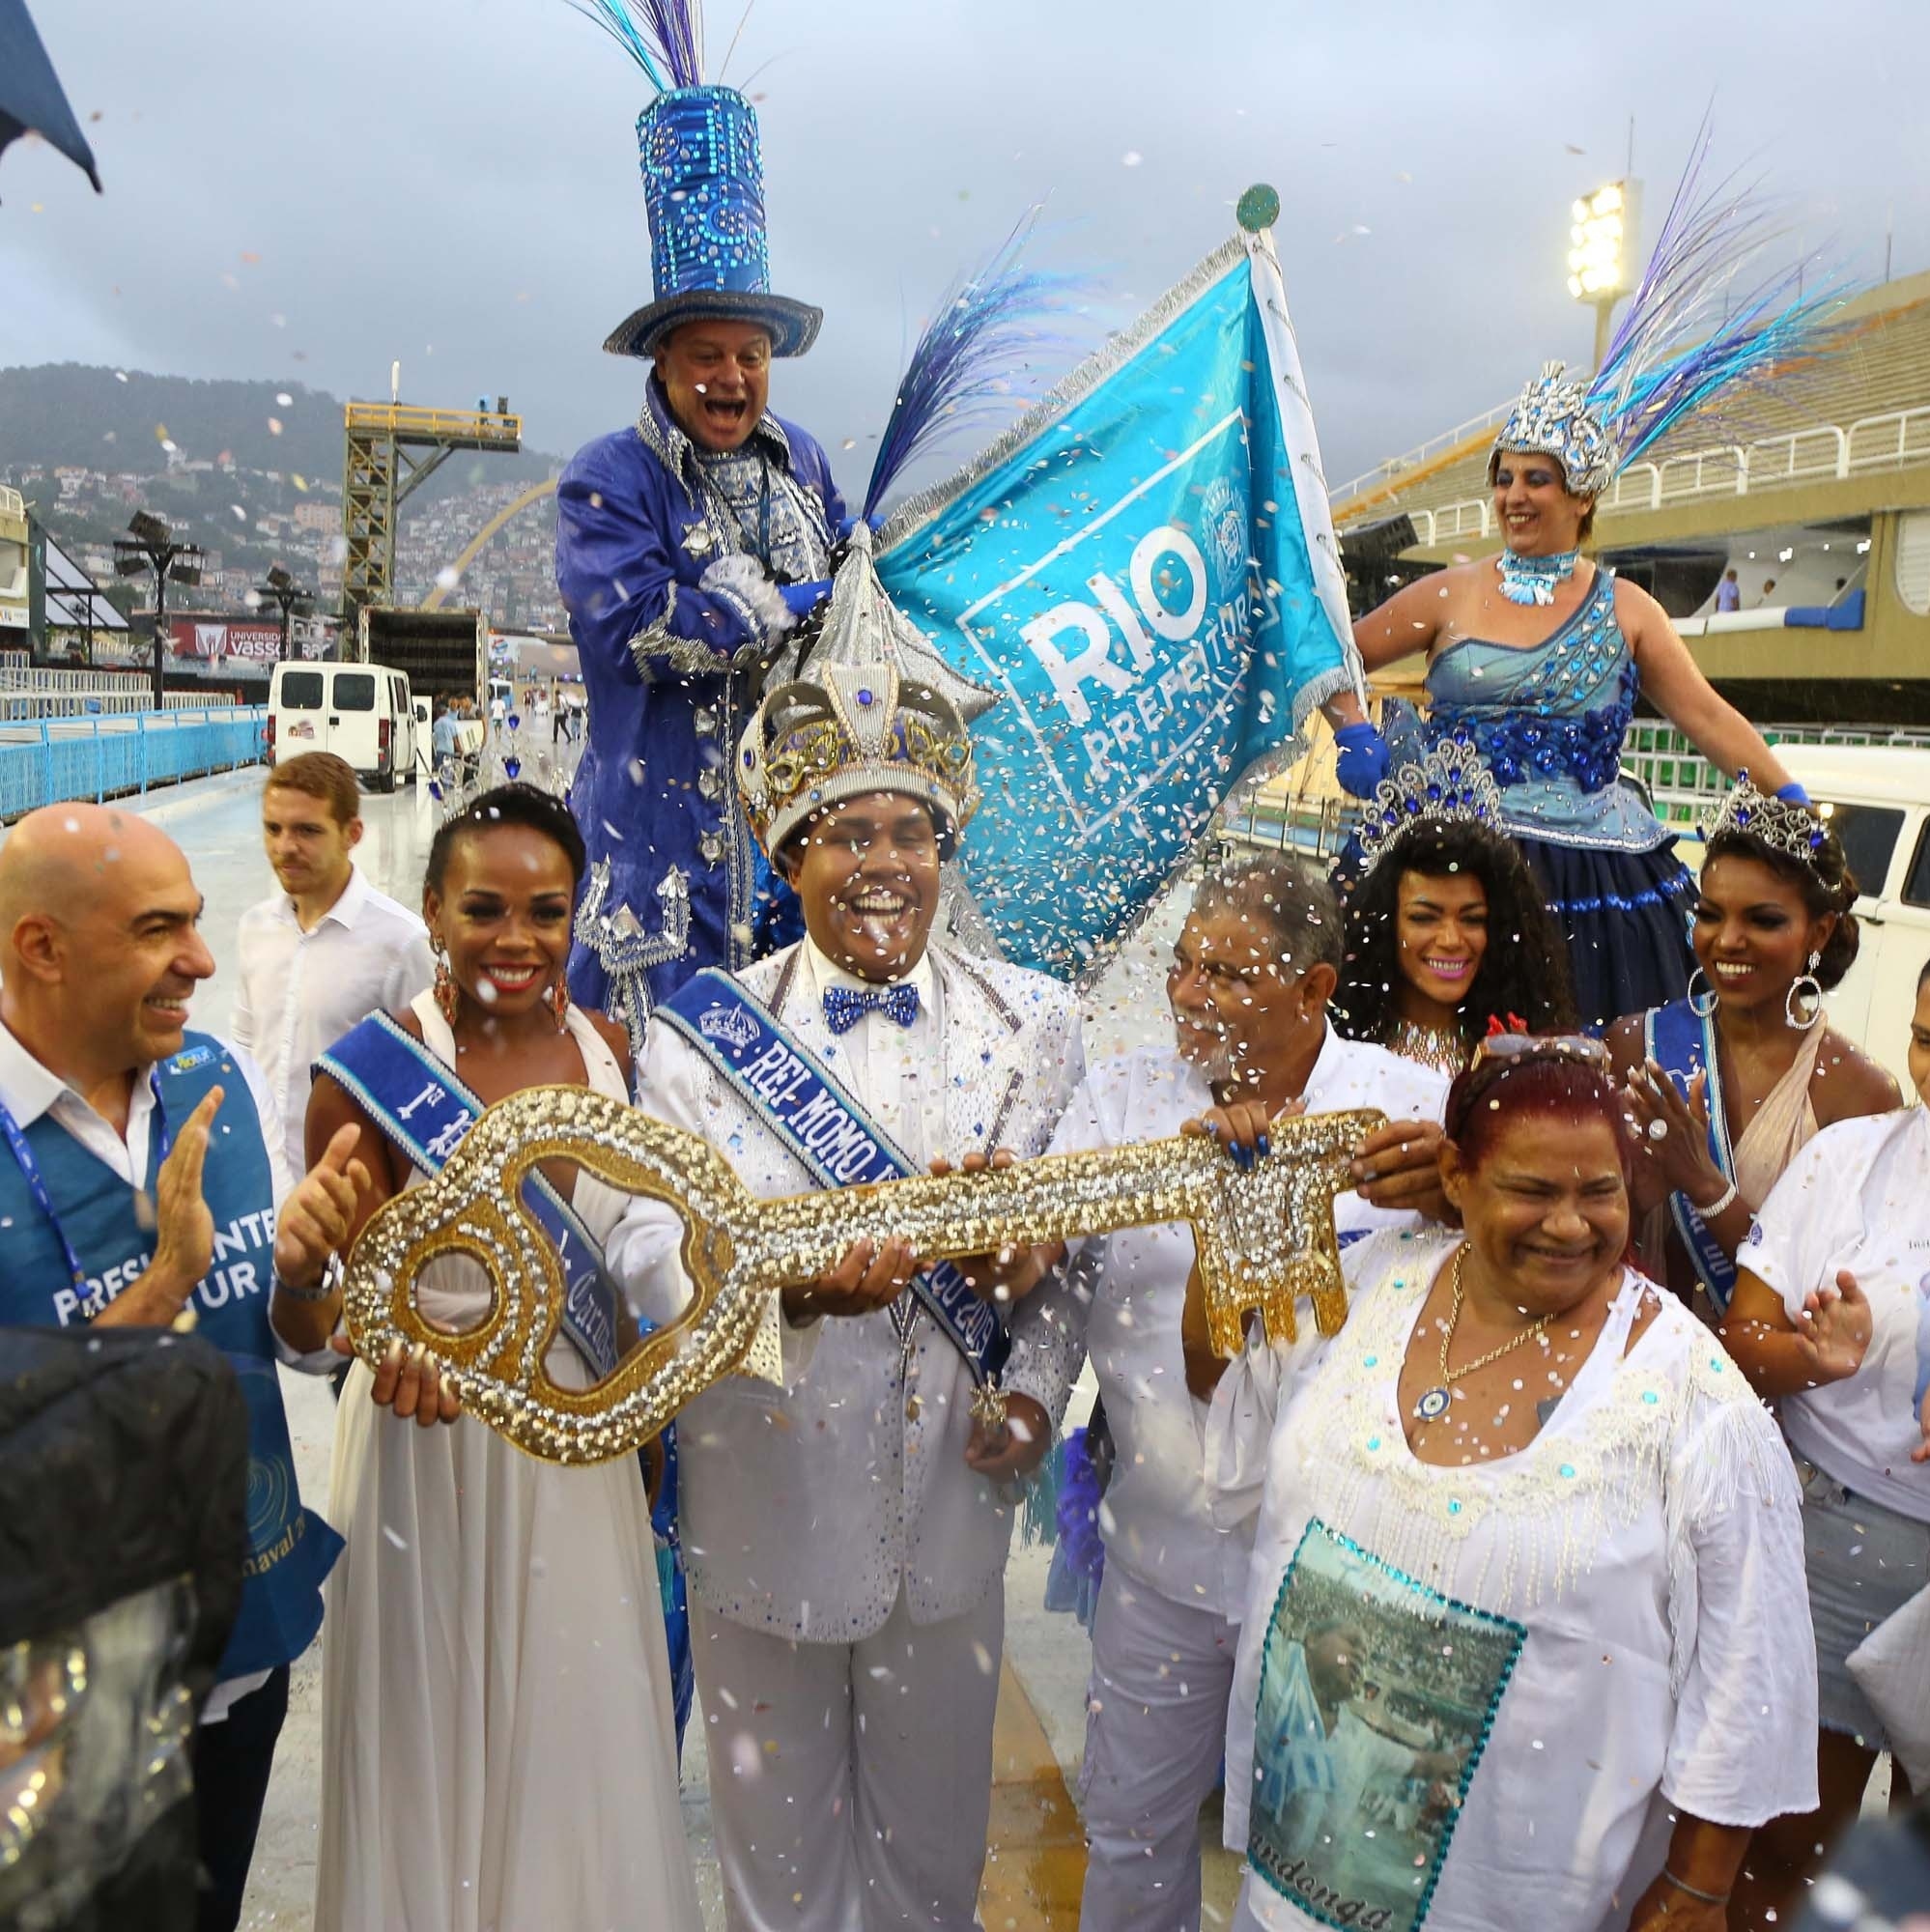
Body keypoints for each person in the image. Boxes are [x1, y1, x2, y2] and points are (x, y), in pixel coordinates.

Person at [609, 526, 1082, 1930]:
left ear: (948, 842)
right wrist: (790, 1295)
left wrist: (1036, 1393)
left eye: (909, 832)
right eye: (846, 834)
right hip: (762, 1515)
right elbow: (646, 1248)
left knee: (936, 1871)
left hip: (952, 1513)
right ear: (786, 848)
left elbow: (1068, 1254)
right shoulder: (701, 1037)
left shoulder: (1035, 1023)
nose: (882, 865)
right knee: (775, 1875)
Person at [1199, 1035, 1819, 1931]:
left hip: (1514, 1896)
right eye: (1531, 1191)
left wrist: (1698, 1888)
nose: (1570, 1225)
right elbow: (1228, 1408)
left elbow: (1748, 1672)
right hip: (1298, 1873)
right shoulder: (1377, 1281)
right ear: (1454, 1176)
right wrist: (1256, 1185)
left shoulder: (1691, 1401)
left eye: (1598, 1192)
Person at [298, 782, 700, 1932]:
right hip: (426, 1452)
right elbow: (324, 1310)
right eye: (484, 908)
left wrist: (657, 1419)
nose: (516, 939)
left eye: (546, 909)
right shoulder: (371, 1069)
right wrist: (321, 1280)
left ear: (578, 916)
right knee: (427, 1736)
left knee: (578, 1734)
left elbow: (649, 1263)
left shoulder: (613, 1048)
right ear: (431, 909)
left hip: (578, 1443)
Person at [1322, 136, 1835, 1027]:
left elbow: (1707, 718)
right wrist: (1354, 730)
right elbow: (1328, 648)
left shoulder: (1628, 611)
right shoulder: (1448, 594)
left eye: (1538, 478)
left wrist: (1792, 803)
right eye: (1504, 477)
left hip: (1591, 882)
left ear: (1583, 495)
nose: (1514, 497)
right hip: (1454, 869)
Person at [1050, 852, 1451, 1932]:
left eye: (1229, 975)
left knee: (1337, 1859)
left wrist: (1460, 1186)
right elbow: (1042, 1270)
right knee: (1131, 1831)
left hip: (1348, 1578)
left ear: (1315, 989)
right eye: (1184, 965)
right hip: (1162, 1559)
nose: (1189, 994)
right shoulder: (1122, 1098)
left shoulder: (1410, 1110)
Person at [0, 802, 358, 1932]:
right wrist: (161, 1289)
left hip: (235, 1649)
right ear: (42, 948)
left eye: (198, 924)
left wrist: (305, 1274)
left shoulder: (223, 1078)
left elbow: (299, 1342)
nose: (201, 960)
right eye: (159, 930)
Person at [556, 52, 848, 1055]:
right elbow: (636, 628)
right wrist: (768, 602)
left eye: (751, 356)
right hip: (656, 879)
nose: (733, 378)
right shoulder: (606, 477)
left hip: (791, 865)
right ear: (664, 359)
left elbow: (855, 599)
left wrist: (870, 576)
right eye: (708, 356)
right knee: (649, 1126)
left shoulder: (807, 460)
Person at [1713, 963, 1930, 1922]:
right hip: (1828, 1542)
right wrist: (1815, 1355)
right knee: (1795, 1842)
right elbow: (1739, 1346)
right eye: (1928, 1037)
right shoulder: (1849, 1157)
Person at [1609, 776, 1896, 1316]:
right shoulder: (1635, 1045)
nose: (1728, 940)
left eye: (1763, 920)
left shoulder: (1859, 1094)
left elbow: (1833, 1298)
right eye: (1711, 914)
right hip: (1636, 1368)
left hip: (1771, 1394)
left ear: (1819, 932)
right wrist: (1632, 1199)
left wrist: (1703, 1182)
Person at [231, 752, 433, 1178]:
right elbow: (246, 1052)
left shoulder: (401, 944)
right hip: (265, 1184)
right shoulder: (255, 930)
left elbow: (425, 1085)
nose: (285, 846)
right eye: (273, 829)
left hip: (350, 1194)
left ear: (352, 833)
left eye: (307, 831)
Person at [1331, 735, 1577, 1075]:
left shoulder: (1526, 1056)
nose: (1450, 940)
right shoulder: (1332, 1050)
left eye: (1473, 920)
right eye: (1423, 918)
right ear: (1384, 922)